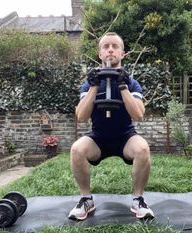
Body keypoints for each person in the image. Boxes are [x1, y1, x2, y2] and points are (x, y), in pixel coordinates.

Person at [68, 32, 154, 221]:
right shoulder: (89, 84)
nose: (110, 50)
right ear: (100, 54)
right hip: (98, 138)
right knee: (76, 149)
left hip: (125, 137)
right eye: (106, 46)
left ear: (123, 53)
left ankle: (138, 200)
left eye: (115, 46)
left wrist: (123, 86)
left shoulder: (132, 83)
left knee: (142, 149)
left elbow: (138, 115)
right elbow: (81, 117)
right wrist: (93, 87)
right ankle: (86, 199)